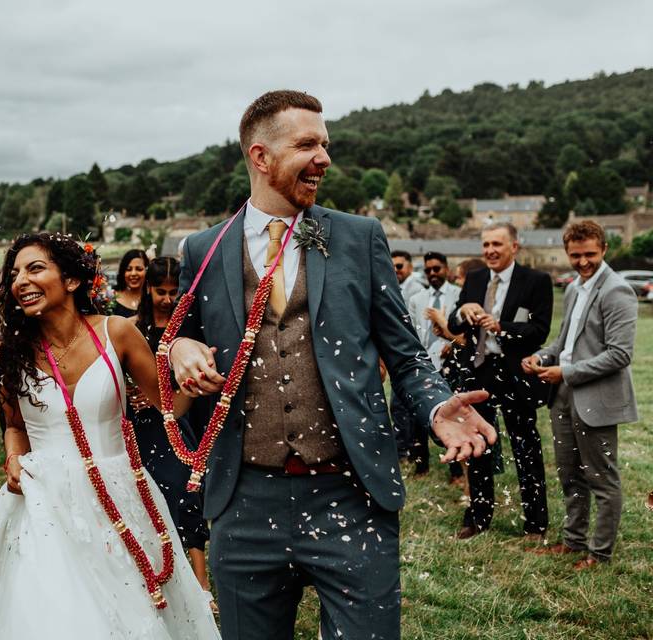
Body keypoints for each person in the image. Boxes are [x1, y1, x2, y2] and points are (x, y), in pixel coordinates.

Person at [169, 90, 495, 640]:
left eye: (326, 144)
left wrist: (438, 404)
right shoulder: (203, 249)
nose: (324, 158)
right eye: (307, 144)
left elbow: (406, 353)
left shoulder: (358, 237)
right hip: (243, 501)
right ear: (260, 156)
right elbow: (181, 333)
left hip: (350, 493)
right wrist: (179, 348)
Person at [0, 233, 219, 638]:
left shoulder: (117, 333)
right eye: (15, 273)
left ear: (71, 280)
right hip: (45, 501)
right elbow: (16, 427)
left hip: (120, 490)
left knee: (133, 606)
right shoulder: (10, 350)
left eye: (35, 268)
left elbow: (168, 405)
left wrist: (194, 373)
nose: (20, 280)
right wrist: (12, 456)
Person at [522, 221, 638, 569]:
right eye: (575, 255)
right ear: (566, 253)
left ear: (603, 249)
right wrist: (542, 356)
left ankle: (599, 554)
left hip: (596, 399)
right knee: (570, 474)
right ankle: (573, 543)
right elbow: (565, 344)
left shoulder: (617, 290)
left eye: (589, 254)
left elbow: (620, 354)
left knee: (601, 480)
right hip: (563, 396)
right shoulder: (573, 288)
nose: (583, 261)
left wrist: (566, 372)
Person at [447, 222, 553, 540]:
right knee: (478, 445)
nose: (490, 251)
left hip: (514, 374)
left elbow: (540, 330)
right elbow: (454, 324)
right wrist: (462, 310)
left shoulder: (536, 281)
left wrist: (500, 326)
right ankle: (478, 518)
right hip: (477, 371)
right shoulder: (477, 278)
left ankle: (535, 524)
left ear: (514, 247)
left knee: (525, 447)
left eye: (497, 245)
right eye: (486, 245)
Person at [128, 257, 211, 591]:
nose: (166, 299)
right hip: (138, 425)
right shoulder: (133, 327)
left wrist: (159, 396)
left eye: (173, 292)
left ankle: (201, 583)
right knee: (145, 494)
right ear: (148, 289)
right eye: (160, 291)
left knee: (184, 491)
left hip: (177, 420)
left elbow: (190, 380)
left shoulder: (185, 329)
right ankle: (155, 573)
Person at [405, 251, 462, 476]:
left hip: (451, 362)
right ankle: (422, 465)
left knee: (452, 416)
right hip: (424, 364)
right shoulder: (416, 299)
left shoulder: (458, 295)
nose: (432, 274)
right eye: (428, 270)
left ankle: (456, 470)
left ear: (446, 269)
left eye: (436, 269)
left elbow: (466, 331)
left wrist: (454, 344)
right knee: (418, 417)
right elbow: (411, 332)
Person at [389, 249, 423, 460]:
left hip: (408, 352)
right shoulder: (398, 287)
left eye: (399, 266)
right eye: (392, 266)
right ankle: (404, 447)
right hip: (397, 350)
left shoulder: (415, 289)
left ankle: (406, 449)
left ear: (409, 267)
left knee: (402, 404)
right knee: (399, 404)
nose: (395, 270)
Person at [112, 248, 148, 317]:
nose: (133, 273)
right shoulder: (111, 298)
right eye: (128, 269)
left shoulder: (153, 298)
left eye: (139, 269)